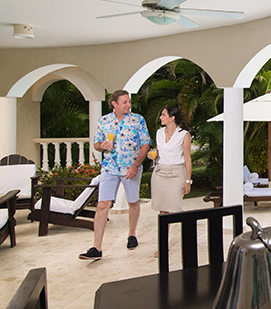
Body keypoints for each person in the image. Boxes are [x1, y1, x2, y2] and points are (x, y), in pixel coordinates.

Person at [79, 90, 150, 261]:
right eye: (125, 102)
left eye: (129, 102)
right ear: (114, 104)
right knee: (102, 205)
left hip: (130, 168)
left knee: (133, 202)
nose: (128, 105)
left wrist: (135, 165)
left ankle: (132, 234)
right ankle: (96, 247)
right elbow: (96, 144)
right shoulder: (104, 121)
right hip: (109, 168)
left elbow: (146, 143)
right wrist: (102, 145)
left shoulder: (138, 120)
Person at [151, 106, 192, 214]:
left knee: (175, 208)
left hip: (176, 175)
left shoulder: (184, 135)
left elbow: (187, 159)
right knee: (162, 208)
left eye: (163, 115)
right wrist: (152, 156)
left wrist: (188, 181)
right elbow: (158, 153)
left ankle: (187, 222)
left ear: (172, 118)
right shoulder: (159, 133)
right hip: (160, 173)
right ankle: (164, 227)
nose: (160, 117)